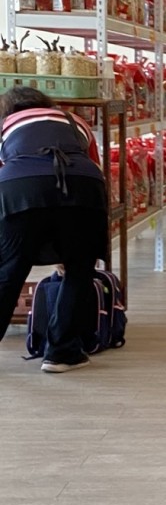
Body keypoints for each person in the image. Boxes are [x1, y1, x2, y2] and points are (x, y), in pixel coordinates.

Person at [0, 85, 109, 373]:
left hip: (20, 187)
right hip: (83, 186)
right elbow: (95, 164)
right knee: (79, 270)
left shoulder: (6, 124)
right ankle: (61, 353)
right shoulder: (74, 121)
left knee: (8, 273)